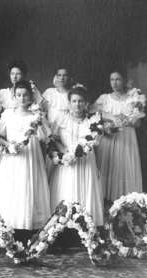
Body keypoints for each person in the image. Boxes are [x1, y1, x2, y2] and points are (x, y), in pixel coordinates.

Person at [0, 80, 51, 241]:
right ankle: (9, 228)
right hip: (12, 158)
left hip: (31, 156)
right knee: (12, 187)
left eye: (25, 95)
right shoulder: (8, 114)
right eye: (19, 95)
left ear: (31, 97)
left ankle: (28, 227)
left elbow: (45, 136)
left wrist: (40, 122)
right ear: (14, 96)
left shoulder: (36, 116)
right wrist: (8, 145)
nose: (22, 98)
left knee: (28, 185)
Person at [49, 85, 104, 226]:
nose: (77, 104)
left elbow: (94, 143)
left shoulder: (93, 121)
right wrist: (64, 153)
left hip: (86, 162)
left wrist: (80, 156)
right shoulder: (62, 119)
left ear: (86, 103)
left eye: (80, 101)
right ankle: (65, 225)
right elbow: (54, 139)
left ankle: (84, 226)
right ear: (69, 103)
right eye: (74, 101)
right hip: (67, 161)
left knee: (85, 191)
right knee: (67, 189)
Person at [92, 70, 143, 202]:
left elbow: (138, 124)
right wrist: (109, 117)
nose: (114, 83)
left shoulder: (133, 99)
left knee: (124, 168)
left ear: (124, 80)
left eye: (118, 79)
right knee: (107, 166)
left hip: (126, 138)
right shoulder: (104, 98)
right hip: (109, 138)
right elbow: (92, 114)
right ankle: (104, 202)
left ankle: (125, 204)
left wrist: (130, 119)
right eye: (112, 79)